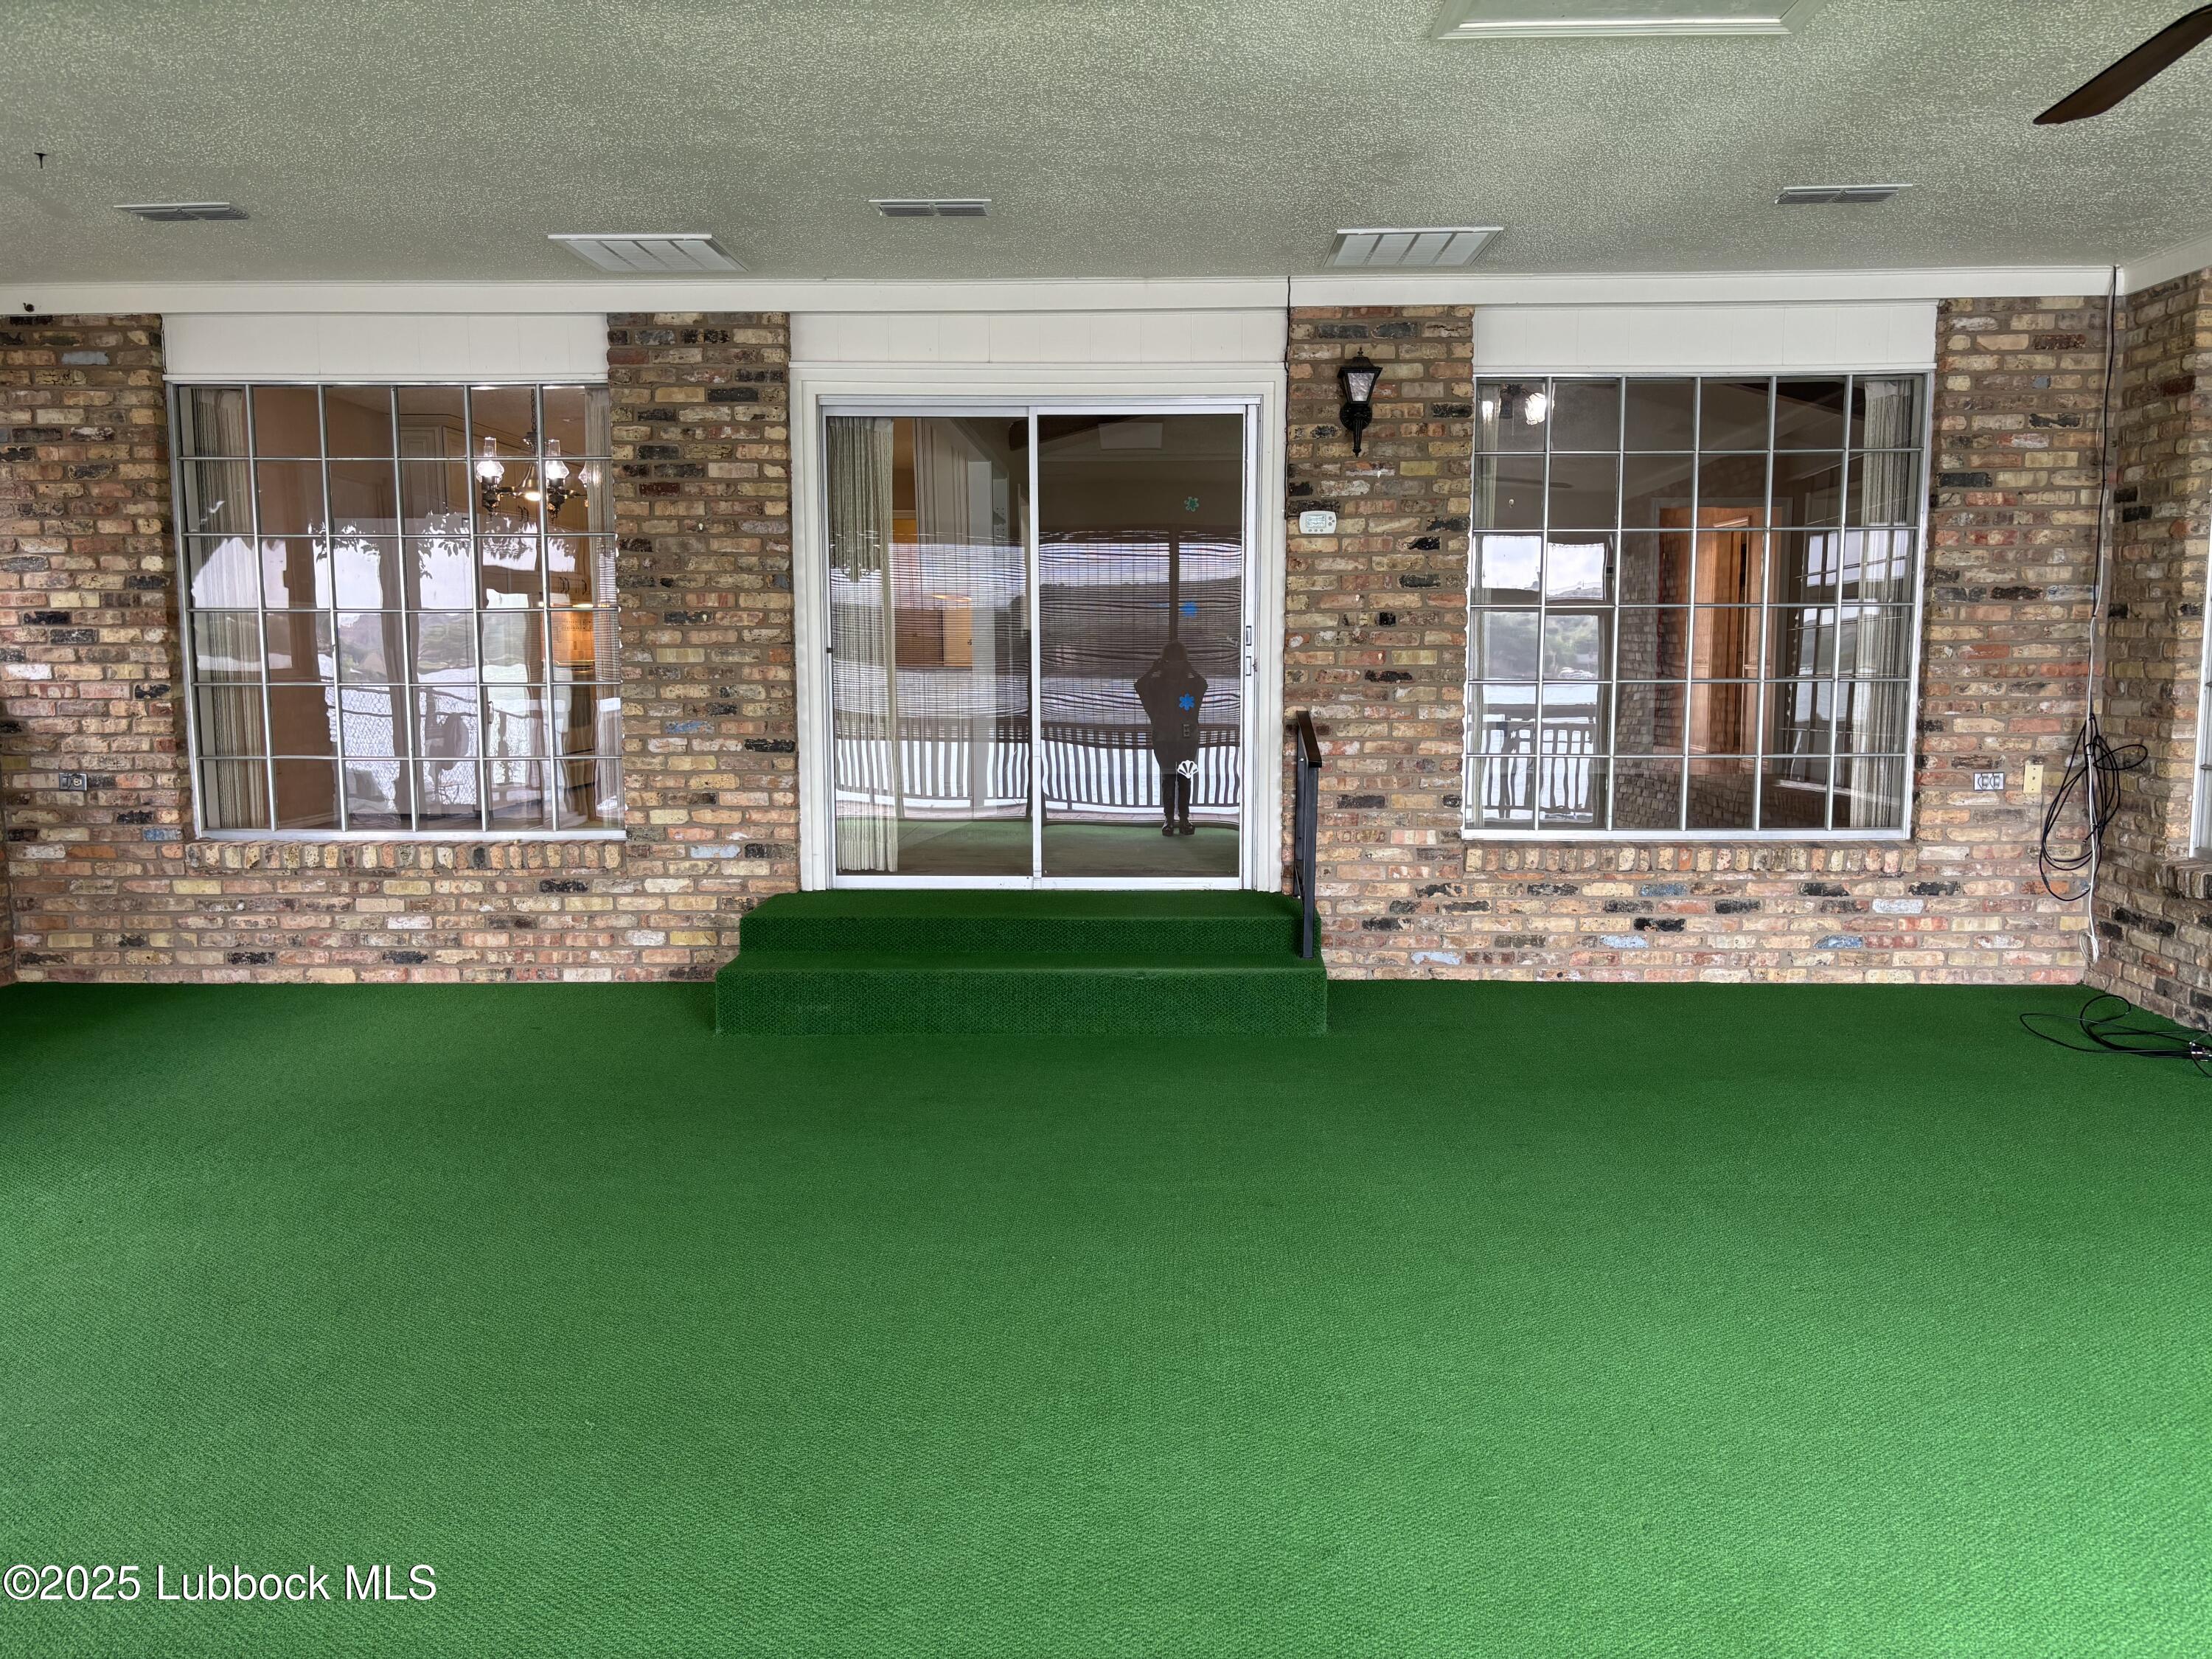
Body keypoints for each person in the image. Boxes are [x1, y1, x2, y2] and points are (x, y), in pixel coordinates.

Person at [1135, 639, 1207, 835]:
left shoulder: (1191, 684)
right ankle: (1169, 818)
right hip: (1164, 737)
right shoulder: (1158, 684)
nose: (1174, 665)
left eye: (1179, 661)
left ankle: (1184, 819)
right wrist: (1153, 669)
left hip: (1186, 737)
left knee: (1185, 777)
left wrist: (1189, 668)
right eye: (1170, 661)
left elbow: (1203, 684)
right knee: (1168, 778)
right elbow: (1140, 685)